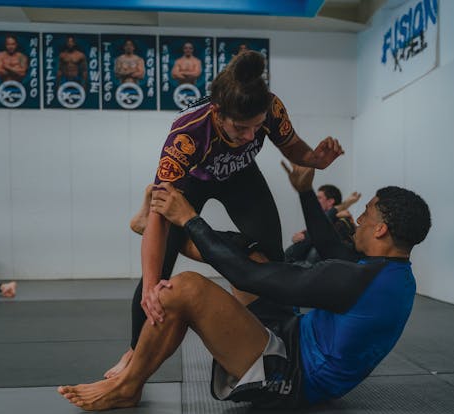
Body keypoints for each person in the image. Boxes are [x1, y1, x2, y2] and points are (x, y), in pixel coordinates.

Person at [57, 162, 431, 411]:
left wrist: (190, 218)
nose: (361, 217)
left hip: (292, 375)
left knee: (185, 288)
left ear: (381, 229)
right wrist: (304, 190)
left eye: (367, 213)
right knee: (252, 255)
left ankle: (128, 386)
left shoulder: (356, 281)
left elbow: (246, 279)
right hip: (296, 337)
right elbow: (329, 245)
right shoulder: (391, 271)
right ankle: (161, 233)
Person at [105, 50, 344, 379]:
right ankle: (133, 352)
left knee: (272, 257)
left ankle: (278, 333)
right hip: (193, 183)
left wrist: (315, 159)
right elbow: (162, 212)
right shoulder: (186, 137)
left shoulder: (270, 108)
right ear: (218, 113)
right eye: (240, 129)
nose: (250, 136)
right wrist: (149, 285)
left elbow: (293, 148)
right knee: (158, 274)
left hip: (241, 176)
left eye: (256, 128)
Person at [285, 177, 361, 265]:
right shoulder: (328, 221)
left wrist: (305, 236)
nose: (315, 201)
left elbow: (320, 235)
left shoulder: (341, 222)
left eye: (319, 198)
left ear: (330, 202)